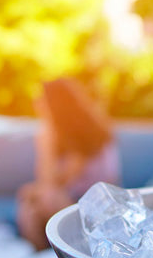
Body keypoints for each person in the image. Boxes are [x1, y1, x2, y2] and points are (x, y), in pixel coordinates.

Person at [17, 78, 121, 249]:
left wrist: (45, 145)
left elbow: (51, 182)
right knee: (30, 206)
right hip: (77, 199)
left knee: (47, 197)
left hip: (101, 203)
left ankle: (58, 256)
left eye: (41, 100)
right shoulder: (64, 135)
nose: (37, 104)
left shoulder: (84, 136)